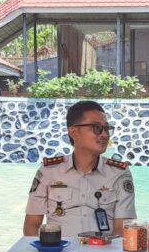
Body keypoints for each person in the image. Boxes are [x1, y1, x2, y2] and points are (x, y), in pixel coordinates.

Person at [24, 100, 136, 238]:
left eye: (106, 128)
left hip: (103, 249)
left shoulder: (119, 173)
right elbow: (31, 226)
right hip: (58, 250)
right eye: (96, 127)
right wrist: (45, 250)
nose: (104, 134)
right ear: (73, 132)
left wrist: (103, 249)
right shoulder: (49, 171)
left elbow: (122, 229)